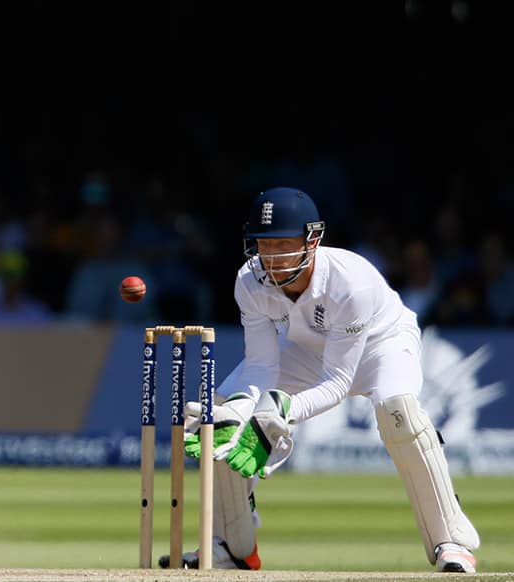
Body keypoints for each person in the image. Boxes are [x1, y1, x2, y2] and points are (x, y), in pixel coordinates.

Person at [180, 187, 480, 573]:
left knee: (398, 412)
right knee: (223, 416)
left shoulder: (350, 283)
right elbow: (259, 365)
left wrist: (283, 410)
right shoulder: (249, 281)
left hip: (381, 344)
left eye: (284, 244)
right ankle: (233, 547)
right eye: (264, 245)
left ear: (313, 240)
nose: (272, 258)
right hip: (306, 348)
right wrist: (244, 408)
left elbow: (339, 382)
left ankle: (451, 541)